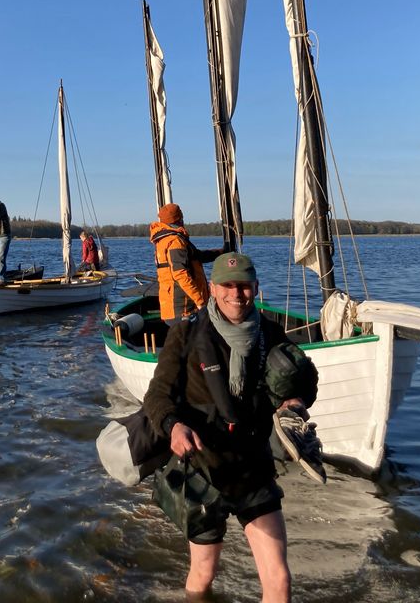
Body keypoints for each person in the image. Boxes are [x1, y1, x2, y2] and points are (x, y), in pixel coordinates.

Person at [143, 252, 316, 602]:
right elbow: (157, 396)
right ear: (212, 288)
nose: (236, 294)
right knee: (204, 573)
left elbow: (305, 382)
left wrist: (294, 403)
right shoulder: (186, 334)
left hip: (252, 469)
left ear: (256, 287)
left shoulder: (271, 332)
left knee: (279, 581)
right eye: (227, 285)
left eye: (244, 286)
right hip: (203, 471)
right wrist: (173, 426)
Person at [149, 203, 221, 325]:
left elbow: (196, 257)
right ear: (179, 219)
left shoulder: (164, 240)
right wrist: (200, 302)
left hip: (173, 307)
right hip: (183, 308)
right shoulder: (175, 241)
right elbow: (180, 275)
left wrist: (220, 252)